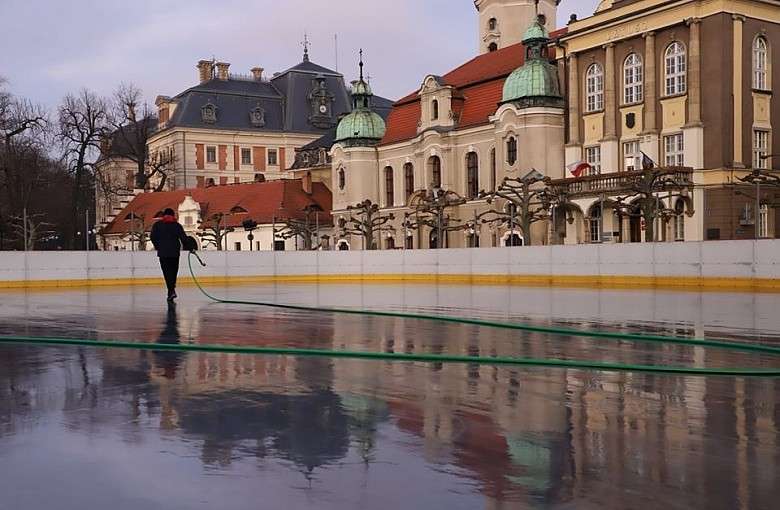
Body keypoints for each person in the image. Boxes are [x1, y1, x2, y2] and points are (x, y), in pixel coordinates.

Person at [150, 208, 188, 302]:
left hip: (163, 253)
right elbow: (183, 238)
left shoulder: (157, 225)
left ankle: (171, 291)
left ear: (164, 215)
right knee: (173, 272)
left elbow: (152, 237)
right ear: (173, 215)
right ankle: (171, 290)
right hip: (175, 253)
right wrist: (190, 247)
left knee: (167, 273)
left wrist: (158, 246)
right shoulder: (177, 225)